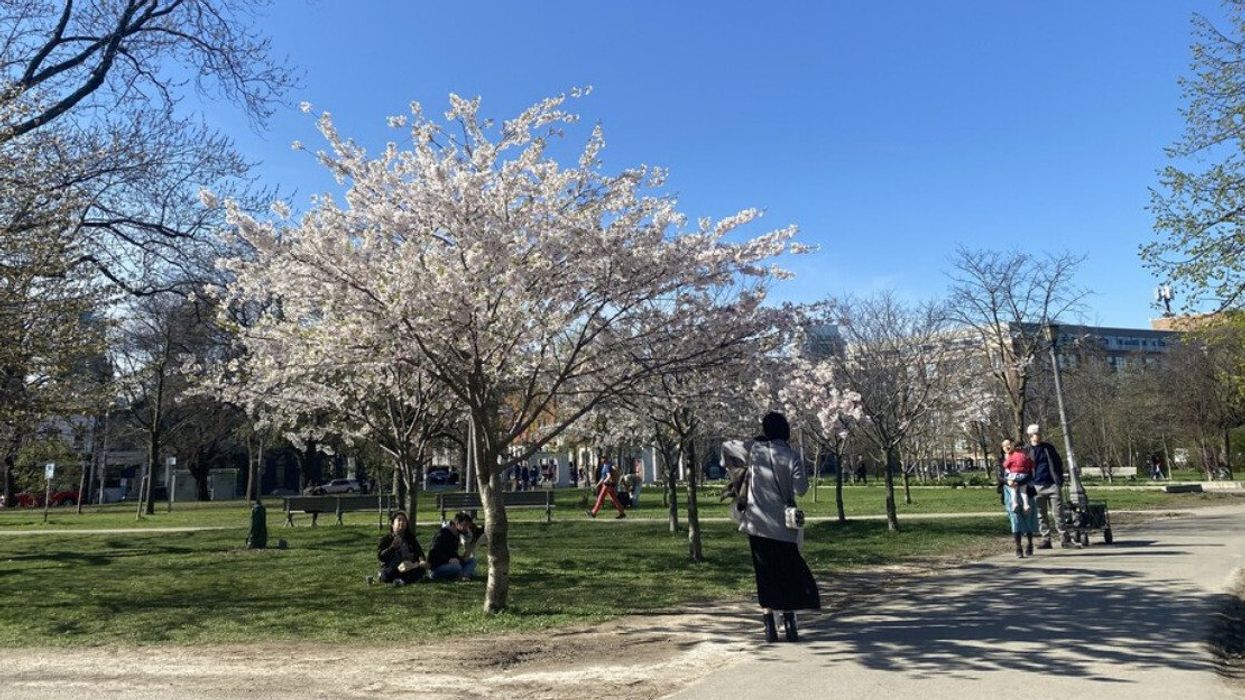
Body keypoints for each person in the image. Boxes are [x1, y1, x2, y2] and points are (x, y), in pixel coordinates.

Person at [722, 412, 820, 643]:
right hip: (784, 524)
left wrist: (755, 442)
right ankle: (789, 620)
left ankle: (769, 625)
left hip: (756, 523)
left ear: (766, 431)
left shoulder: (753, 450)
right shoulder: (791, 456)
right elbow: (801, 489)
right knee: (787, 571)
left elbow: (727, 447)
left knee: (764, 572)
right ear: (785, 431)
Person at [1024, 425, 1069, 549]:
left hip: (1052, 485)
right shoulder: (1026, 450)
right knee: (1041, 515)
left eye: (1040, 433)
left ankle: (1064, 539)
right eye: (1036, 434)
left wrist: (1058, 480)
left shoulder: (1048, 448)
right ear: (1030, 436)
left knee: (1059, 514)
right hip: (1036, 486)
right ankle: (1046, 539)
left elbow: (1058, 463)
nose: (1039, 436)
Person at [1000, 440, 1039, 558]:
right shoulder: (1001, 460)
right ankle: (1018, 547)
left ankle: (1030, 544)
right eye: (1005, 445)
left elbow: (1031, 473)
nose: (1007, 446)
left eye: (1009, 444)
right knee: (1015, 518)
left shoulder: (1024, 456)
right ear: (1002, 447)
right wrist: (1008, 481)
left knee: (1028, 518)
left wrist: (1019, 481)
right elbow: (999, 476)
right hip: (1010, 491)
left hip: (1026, 490)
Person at [370, 511, 427, 587]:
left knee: (420, 570)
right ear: (392, 524)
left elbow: (419, 552)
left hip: (409, 566)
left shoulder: (410, 538)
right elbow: (381, 557)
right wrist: (392, 547)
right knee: (386, 574)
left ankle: (402, 581)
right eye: (399, 520)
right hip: (393, 567)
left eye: (404, 520)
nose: (402, 522)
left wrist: (421, 561)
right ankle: (404, 580)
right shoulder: (386, 539)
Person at [428, 512, 480, 581]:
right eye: (465, 525)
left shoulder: (456, 534)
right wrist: (448, 560)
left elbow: (452, 553)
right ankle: (463, 574)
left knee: (472, 561)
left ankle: (463, 576)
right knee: (457, 567)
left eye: (468, 526)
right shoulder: (442, 534)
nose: (467, 528)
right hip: (437, 568)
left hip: (450, 564)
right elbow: (433, 555)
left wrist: (461, 558)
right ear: (457, 523)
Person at [1002, 438, 1034, 515]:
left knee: (1013, 490)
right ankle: (1026, 505)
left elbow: (1005, 464)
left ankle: (1014, 504)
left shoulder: (1013, 456)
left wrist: (1006, 465)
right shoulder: (1026, 456)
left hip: (1014, 475)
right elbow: (1032, 465)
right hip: (1024, 475)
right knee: (1023, 492)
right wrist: (1027, 468)